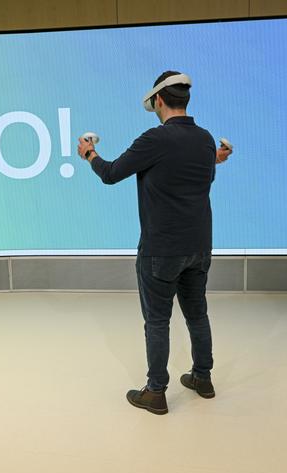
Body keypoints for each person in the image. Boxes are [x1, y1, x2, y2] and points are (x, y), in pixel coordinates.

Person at [77, 70, 233, 415]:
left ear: (158, 100)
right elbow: (204, 177)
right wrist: (214, 159)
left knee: (158, 321)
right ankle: (202, 378)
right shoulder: (205, 139)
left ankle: (156, 392)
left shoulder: (154, 139)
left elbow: (111, 173)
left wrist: (89, 154)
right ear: (185, 99)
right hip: (199, 246)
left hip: (161, 249)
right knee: (197, 314)